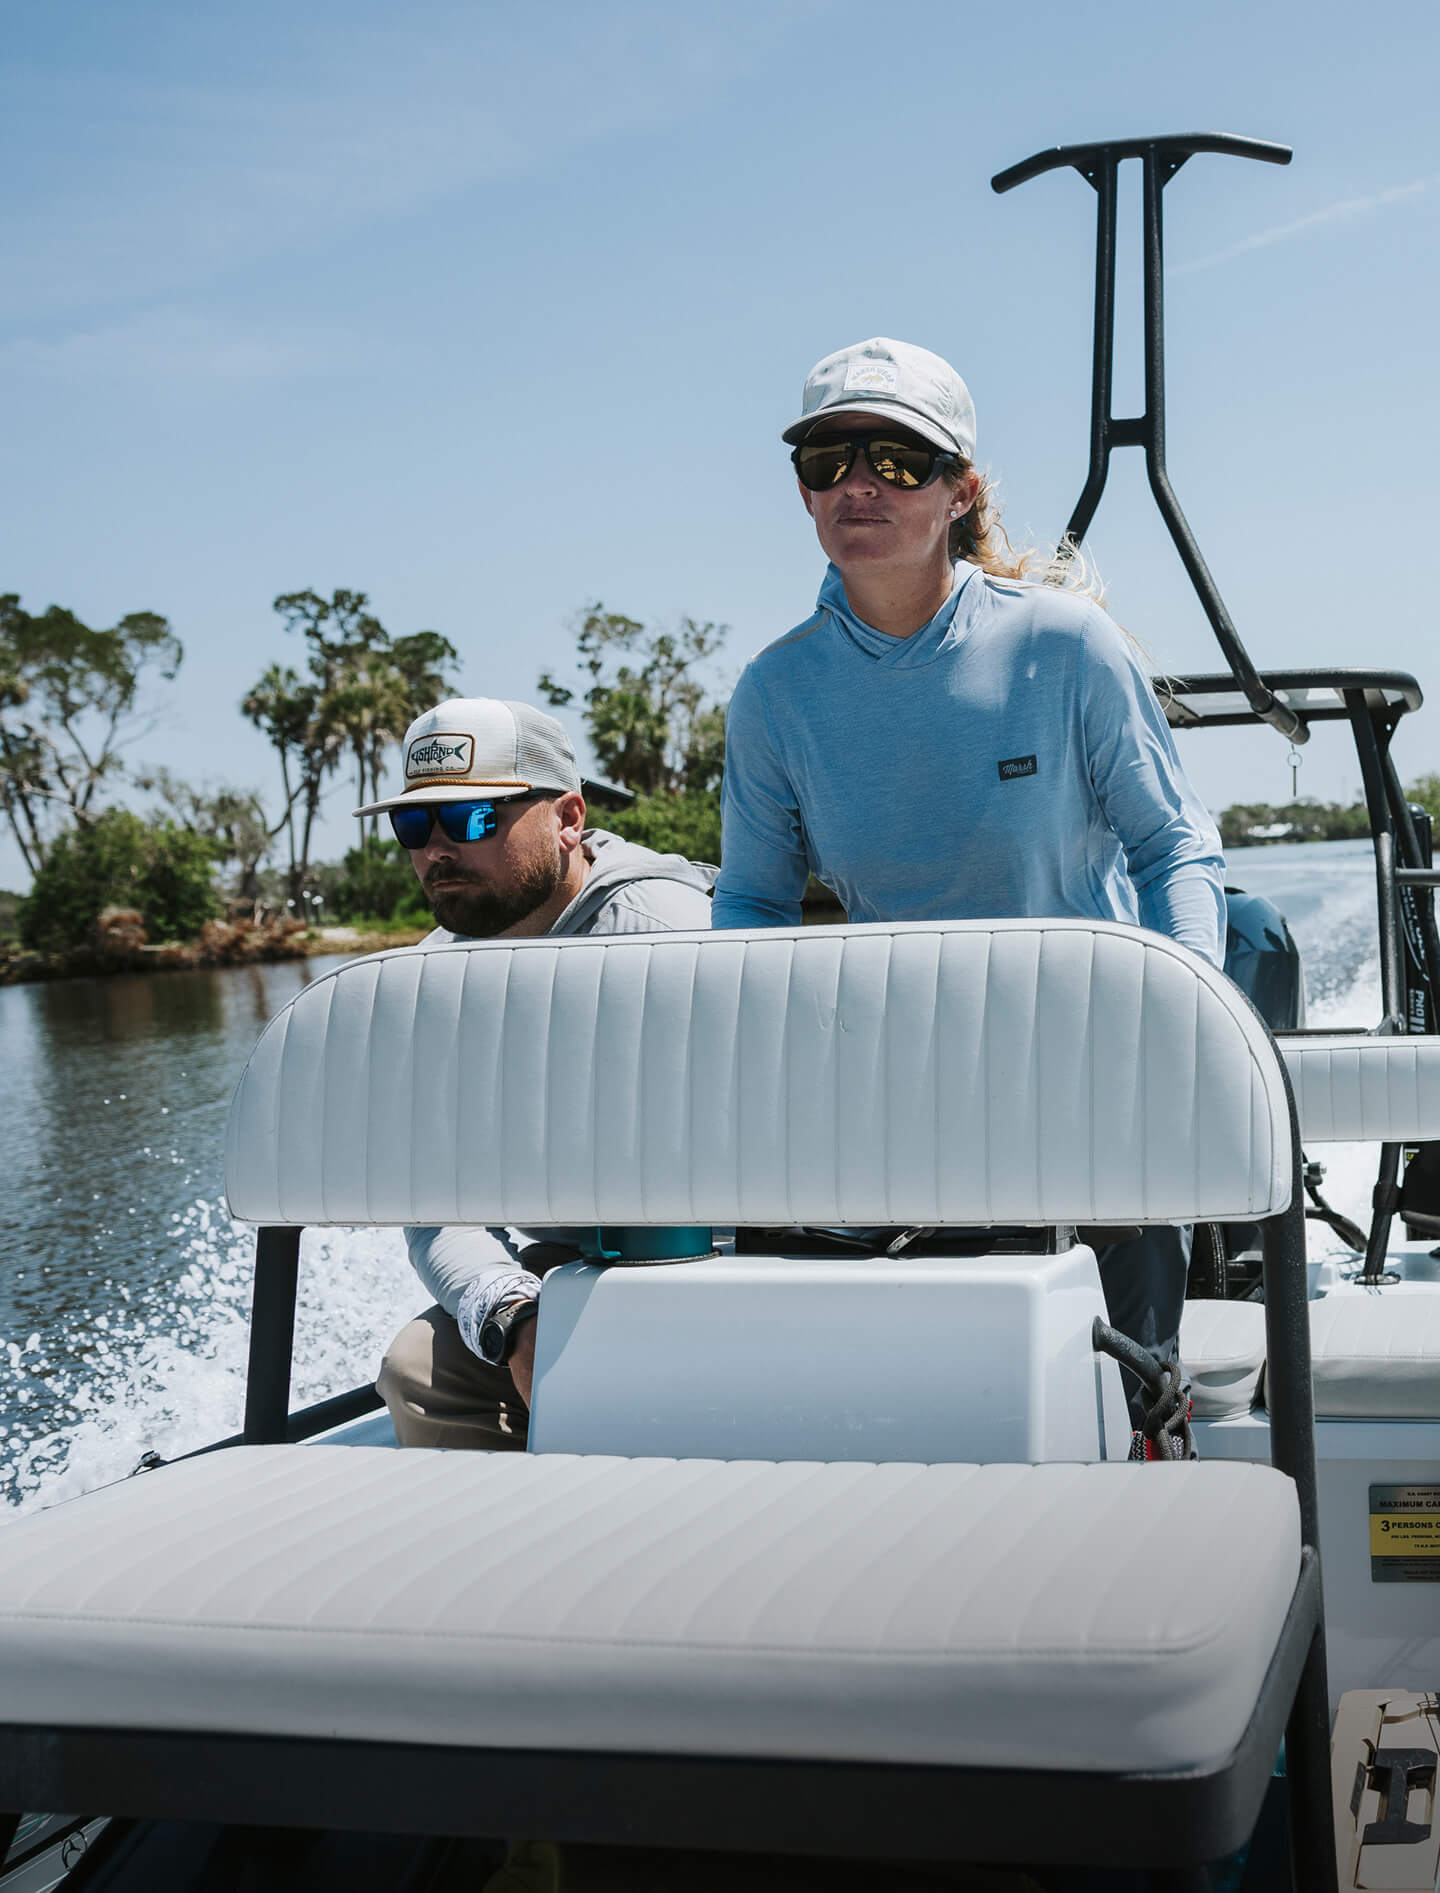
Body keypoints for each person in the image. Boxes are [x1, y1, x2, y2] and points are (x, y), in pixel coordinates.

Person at [713, 337, 1228, 1445]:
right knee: (927, 1400)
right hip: (901, 1090)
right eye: (828, 458)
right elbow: (750, 908)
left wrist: (1187, 1023)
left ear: (961, 490)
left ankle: (1155, 1431)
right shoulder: (773, 694)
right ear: (802, 490)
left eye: (897, 458)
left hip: (1099, 1075)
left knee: (1121, 1395)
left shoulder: (1067, 647)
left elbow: (1175, 850)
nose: (859, 483)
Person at [358, 697, 715, 1448]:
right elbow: (436, 1201)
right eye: (413, 826)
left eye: (473, 819)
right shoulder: (433, 973)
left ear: (567, 818)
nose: (436, 850)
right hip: (564, 1271)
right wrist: (513, 1315)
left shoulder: (665, 933)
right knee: (416, 1371)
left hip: (720, 1256)